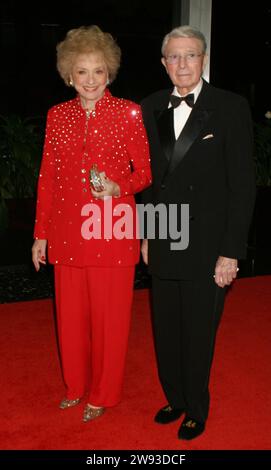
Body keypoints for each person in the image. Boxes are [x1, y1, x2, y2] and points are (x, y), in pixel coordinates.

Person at [140, 25, 255, 440]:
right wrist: (148, 236)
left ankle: (197, 406)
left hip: (208, 243)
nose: (182, 64)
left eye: (190, 55)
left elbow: (242, 185)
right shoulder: (150, 106)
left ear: (203, 59)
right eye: (174, 56)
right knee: (166, 327)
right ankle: (175, 396)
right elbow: (151, 183)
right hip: (166, 236)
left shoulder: (230, 106)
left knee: (198, 330)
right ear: (163, 63)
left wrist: (231, 252)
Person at [32, 25, 151, 422]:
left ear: (110, 73)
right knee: (69, 318)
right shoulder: (57, 115)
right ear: (69, 74)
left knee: (110, 321)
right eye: (81, 71)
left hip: (112, 228)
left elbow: (145, 174)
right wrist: (40, 234)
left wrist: (119, 186)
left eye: (98, 71)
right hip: (66, 232)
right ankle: (76, 387)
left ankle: (103, 393)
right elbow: (47, 176)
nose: (90, 80)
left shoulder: (129, 112)